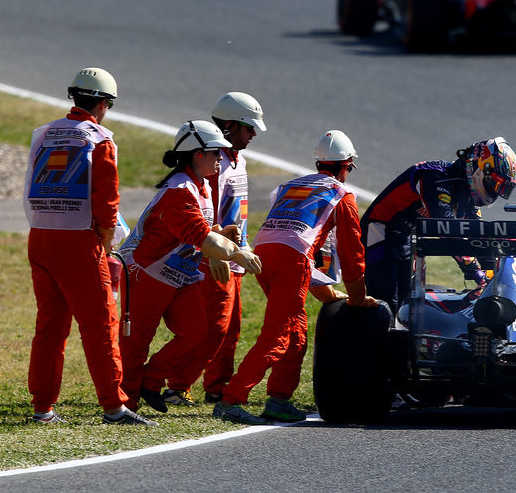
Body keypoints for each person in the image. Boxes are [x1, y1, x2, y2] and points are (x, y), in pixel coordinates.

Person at [213, 130, 378, 425]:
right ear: (347, 166)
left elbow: (297, 239)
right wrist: (356, 298)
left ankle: (279, 399)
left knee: (296, 331)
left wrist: (327, 293)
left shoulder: (291, 184)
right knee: (278, 335)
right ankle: (231, 400)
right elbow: (353, 257)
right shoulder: (342, 195)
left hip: (264, 253)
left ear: (319, 164)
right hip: (292, 260)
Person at [24, 67, 156, 426]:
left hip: (40, 236)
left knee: (49, 327)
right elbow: (107, 200)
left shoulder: (44, 133)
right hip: (79, 241)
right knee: (100, 325)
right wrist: (105, 237)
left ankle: (42, 407)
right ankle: (114, 407)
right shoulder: (99, 139)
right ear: (103, 103)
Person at [117, 120, 262, 414]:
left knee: (197, 333)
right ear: (198, 155)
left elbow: (202, 231)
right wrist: (236, 253)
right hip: (145, 274)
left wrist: (223, 234)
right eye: (216, 153)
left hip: (176, 275)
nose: (221, 158)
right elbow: (200, 236)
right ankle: (124, 406)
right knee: (136, 345)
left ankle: (150, 381)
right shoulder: (180, 191)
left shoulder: (199, 186)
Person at [160, 92, 266, 407]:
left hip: (233, 255)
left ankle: (216, 387)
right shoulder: (214, 162)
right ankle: (177, 385)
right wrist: (212, 253)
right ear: (231, 126)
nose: (254, 135)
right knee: (213, 328)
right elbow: (204, 213)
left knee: (230, 329)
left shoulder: (238, 159)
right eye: (249, 128)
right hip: (215, 257)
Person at [361, 136, 516, 314]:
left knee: (406, 305)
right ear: (479, 169)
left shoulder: (465, 192)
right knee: (386, 302)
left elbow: (479, 233)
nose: (494, 192)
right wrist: (474, 271)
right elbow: (447, 231)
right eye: (494, 184)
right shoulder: (435, 178)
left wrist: (494, 268)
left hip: (405, 236)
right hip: (379, 230)